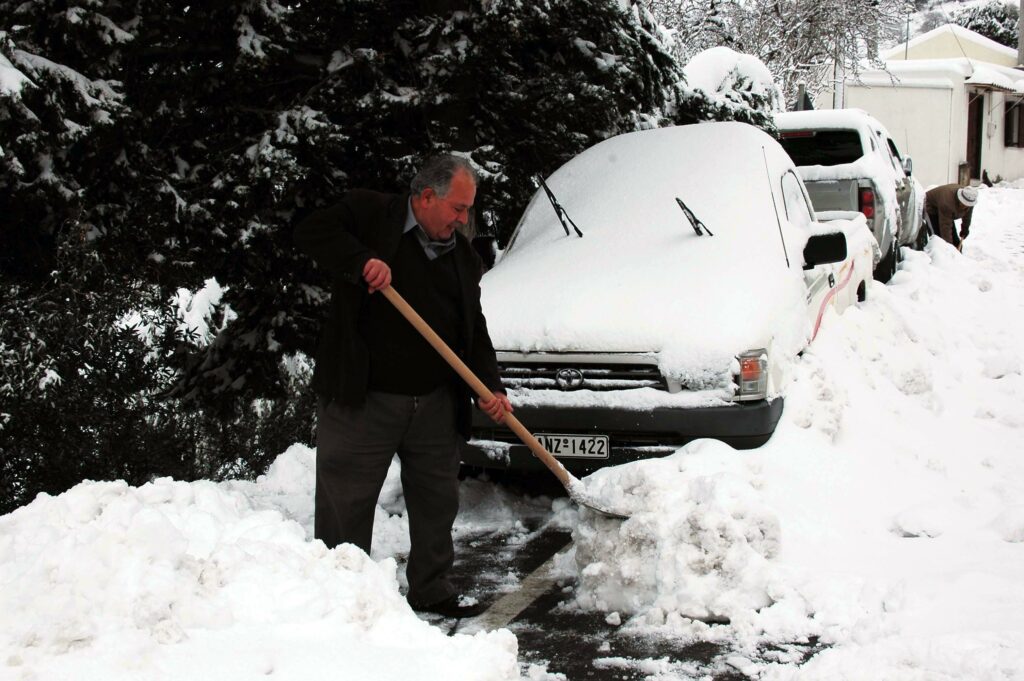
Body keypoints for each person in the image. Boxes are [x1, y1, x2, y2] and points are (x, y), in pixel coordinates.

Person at [294, 155, 513, 618]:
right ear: (426, 196)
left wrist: (489, 385)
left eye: (468, 210)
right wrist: (361, 262)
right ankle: (342, 595)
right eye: (457, 208)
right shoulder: (370, 215)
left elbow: (473, 330)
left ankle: (432, 589)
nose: (462, 219)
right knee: (346, 502)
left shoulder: (463, 257)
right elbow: (311, 231)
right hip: (364, 398)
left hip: (433, 402)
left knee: (436, 502)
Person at [924, 183, 978, 251]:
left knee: (956, 243)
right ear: (960, 198)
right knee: (938, 239)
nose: (965, 206)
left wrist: (965, 229)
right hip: (930, 206)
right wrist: (949, 249)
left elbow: (967, 216)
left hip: (945, 210)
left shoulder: (970, 199)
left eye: (967, 205)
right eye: (964, 204)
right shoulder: (947, 202)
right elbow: (945, 226)